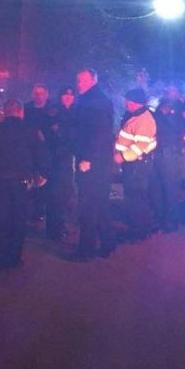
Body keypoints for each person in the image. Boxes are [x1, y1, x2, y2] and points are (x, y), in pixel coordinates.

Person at [0, 100, 50, 273]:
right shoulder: (32, 132)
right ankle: (13, 259)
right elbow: (43, 156)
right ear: (21, 112)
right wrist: (42, 175)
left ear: (5, 113)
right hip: (22, 185)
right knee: (18, 222)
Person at [70, 68, 116, 261]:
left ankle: (86, 250)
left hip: (92, 163)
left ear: (92, 80)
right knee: (100, 204)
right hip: (99, 162)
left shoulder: (95, 102)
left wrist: (87, 158)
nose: (78, 83)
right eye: (78, 79)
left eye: (82, 80)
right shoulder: (94, 99)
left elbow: (99, 133)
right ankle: (107, 244)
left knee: (88, 205)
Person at [114, 88, 157, 242]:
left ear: (133, 102)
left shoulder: (144, 120)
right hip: (133, 164)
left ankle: (138, 231)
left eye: (127, 100)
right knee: (135, 197)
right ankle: (139, 228)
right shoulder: (136, 116)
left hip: (136, 165)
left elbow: (139, 147)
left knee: (135, 198)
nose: (126, 103)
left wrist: (121, 157)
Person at [24, 83, 60, 233]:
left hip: (49, 151)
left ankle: (46, 214)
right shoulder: (27, 109)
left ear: (47, 94)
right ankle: (33, 214)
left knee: (48, 183)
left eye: (41, 93)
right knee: (32, 183)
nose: (39, 96)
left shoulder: (53, 109)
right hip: (31, 152)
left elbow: (57, 129)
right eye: (36, 93)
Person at [151, 97, 185, 232]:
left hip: (171, 153)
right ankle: (159, 219)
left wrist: (170, 115)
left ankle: (171, 222)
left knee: (170, 188)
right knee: (157, 188)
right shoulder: (159, 111)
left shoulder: (180, 109)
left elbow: (183, 127)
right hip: (158, 152)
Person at [51, 87, 78, 237]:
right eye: (65, 94)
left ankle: (70, 224)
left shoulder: (79, 112)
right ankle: (57, 226)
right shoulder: (54, 111)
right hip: (57, 157)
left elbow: (79, 133)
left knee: (71, 192)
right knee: (57, 193)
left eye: (71, 94)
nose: (68, 97)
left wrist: (62, 130)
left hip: (72, 156)